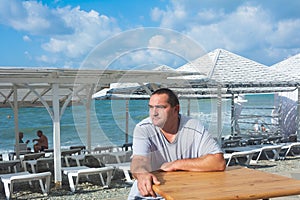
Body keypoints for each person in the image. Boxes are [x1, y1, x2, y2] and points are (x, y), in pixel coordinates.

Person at [128, 88, 226, 199]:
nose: (154, 113)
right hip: (148, 196)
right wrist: (141, 174)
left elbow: (218, 162)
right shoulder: (143, 129)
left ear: (176, 109)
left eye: (160, 107)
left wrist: (176, 164)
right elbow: (139, 160)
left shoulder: (193, 127)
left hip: (182, 194)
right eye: (151, 107)